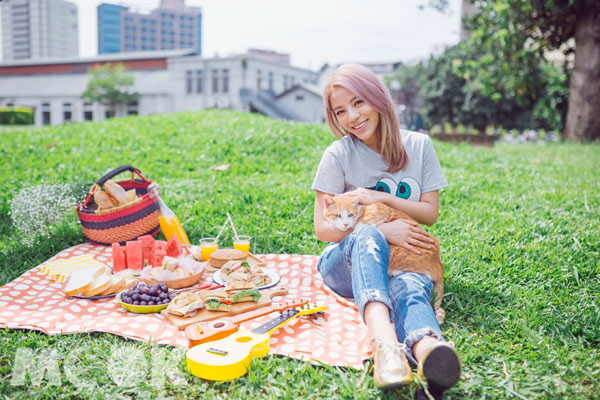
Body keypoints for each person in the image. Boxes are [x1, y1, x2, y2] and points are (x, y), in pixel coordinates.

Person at [312, 64, 461, 394]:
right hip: (344, 265)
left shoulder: (419, 146)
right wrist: (382, 232)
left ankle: (429, 349)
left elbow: (429, 213)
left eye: (358, 102)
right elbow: (323, 228)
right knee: (366, 234)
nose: (352, 116)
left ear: (377, 98)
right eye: (341, 111)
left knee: (410, 283)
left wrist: (379, 196)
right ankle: (385, 344)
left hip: (397, 263)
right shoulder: (337, 155)